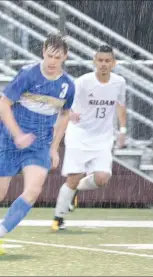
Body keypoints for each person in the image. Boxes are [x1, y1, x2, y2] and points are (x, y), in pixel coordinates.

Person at [0, 34, 75, 255]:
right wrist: (18, 134)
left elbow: (65, 115)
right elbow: (3, 106)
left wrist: (54, 148)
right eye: (49, 55)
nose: (52, 61)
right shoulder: (28, 74)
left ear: (65, 57)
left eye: (57, 57)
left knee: (33, 191)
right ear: (43, 52)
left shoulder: (68, 86)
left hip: (39, 144)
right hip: (10, 140)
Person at [51, 45, 127, 231]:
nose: (103, 64)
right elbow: (64, 104)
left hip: (103, 137)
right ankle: (58, 219)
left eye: (107, 61)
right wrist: (70, 114)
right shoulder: (83, 82)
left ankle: (75, 191)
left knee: (102, 178)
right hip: (79, 134)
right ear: (94, 62)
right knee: (73, 177)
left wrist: (123, 130)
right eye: (100, 60)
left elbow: (120, 105)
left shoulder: (119, 82)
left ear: (113, 63)